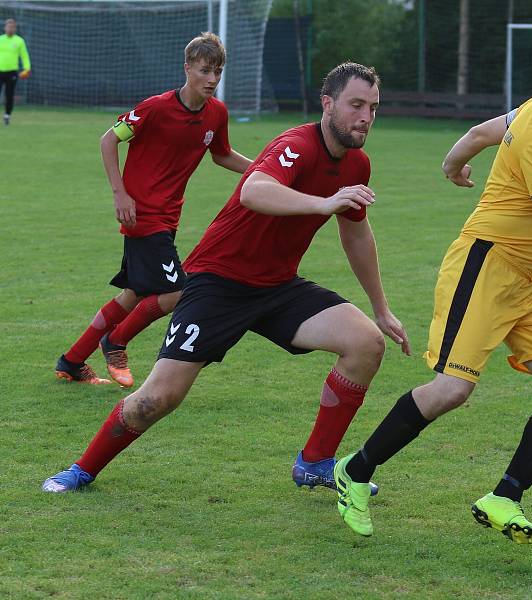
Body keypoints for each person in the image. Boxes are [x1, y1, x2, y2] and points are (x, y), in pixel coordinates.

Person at [333, 36, 532, 541]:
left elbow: (482, 129)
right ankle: (354, 472)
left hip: (531, 286)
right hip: (486, 269)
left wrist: (452, 164)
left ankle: (503, 497)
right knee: (452, 389)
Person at [42, 62, 410, 496]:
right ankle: (81, 470)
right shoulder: (296, 144)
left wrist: (381, 308)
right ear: (328, 104)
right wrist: (322, 203)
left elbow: (356, 234)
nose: (365, 117)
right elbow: (255, 189)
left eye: (373, 107)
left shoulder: (357, 164)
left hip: (276, 286)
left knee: (366, 343)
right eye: (356, 105)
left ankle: (314, 463)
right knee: (157, 400)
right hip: (217, 281)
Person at [54, 32, 251, 388]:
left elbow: (221, 154)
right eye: (205, 70)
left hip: (168, 217)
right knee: (179, 291)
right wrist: (120, 195)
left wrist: (263, 170)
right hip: (142, 216)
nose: (212, 79)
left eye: (218, 72)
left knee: (134, 294)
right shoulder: (155, 108)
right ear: (187, 67)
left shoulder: (216, 113)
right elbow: (108, 139)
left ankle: (71, 361)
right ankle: (115, 341)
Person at [0, 18, 31, 125]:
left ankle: (7, 116)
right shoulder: (0, 39)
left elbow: (24, 56)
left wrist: (27, 68)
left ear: (15, 29)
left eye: (12, 27)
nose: (10, 29)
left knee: (9, 95)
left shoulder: (19, 41)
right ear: (5, 28)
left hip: (12, 72)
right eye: (8, 26)